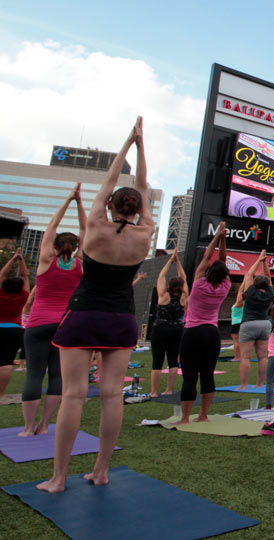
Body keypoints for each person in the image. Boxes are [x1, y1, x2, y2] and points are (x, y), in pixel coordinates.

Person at [38, 117, 156, 493]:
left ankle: (58, 478)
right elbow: (141, 186)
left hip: (84, 315)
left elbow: (110, 182)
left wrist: (128, 142)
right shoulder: (145, 234)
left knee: (73, 394)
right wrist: (142, 146)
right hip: (121, 319)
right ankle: (101, 471)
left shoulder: (94, 226)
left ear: (109, 205)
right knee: (111, 394)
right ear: (138, 210)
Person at [21, 184, 85, 437]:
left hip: (37, 324)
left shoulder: (46, 261)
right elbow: (86, 230)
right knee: (57, 377)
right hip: (64, 325)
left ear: (55, 247)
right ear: (77, 247)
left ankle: (28, 428)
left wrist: (69, 200)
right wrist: (80, 205)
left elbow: (50, 228)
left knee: (33, 375)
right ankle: (45, 425)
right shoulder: (80, 265)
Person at [176, 222, 230, 425]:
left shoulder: (199, 284)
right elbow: (222, 260)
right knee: (208, 374)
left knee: (190, 376)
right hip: (212, 334)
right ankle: (203, 415)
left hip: (193, 332)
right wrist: (224, 238)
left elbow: (208, 257)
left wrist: (217, 236)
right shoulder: (225, 286)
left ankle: (184, 418)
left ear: (208, 273)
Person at [150, 253, 188, 396]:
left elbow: (161, 277)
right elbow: (183, 278)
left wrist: (170, 261)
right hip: (177, 328)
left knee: (157, 360)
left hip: (161, 328)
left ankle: (154, 391)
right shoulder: (184, 298)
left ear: (169, 286)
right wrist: (178, 263)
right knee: (173, 360)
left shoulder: (163, 295)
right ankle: (169, 390)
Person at [238, 251, 273, 386]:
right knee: (263, 356)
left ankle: (244, 384)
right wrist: (265, 263)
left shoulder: (251, 291)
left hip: (249, 323)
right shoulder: (269, 293)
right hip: (265, 324)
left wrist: (259, 260)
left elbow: (248, 275)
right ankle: (260, 383)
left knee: (245, 357)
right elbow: (268, 276)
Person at [230, 250, 264, 389]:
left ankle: (237, 357)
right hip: (251, 324)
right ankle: (259, 382)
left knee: (238, 344)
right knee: (260, 353)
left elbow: (240, 295)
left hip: (238, 324)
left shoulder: (240, 304)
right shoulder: (252, 302)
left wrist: (244, 283)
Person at [1, 253, 30, 396]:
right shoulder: (23, 296)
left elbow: (2, 274)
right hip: (15, 330)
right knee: (6, 362)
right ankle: (1, 393)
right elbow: (25, 276)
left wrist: (12, 259)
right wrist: (21, 261)